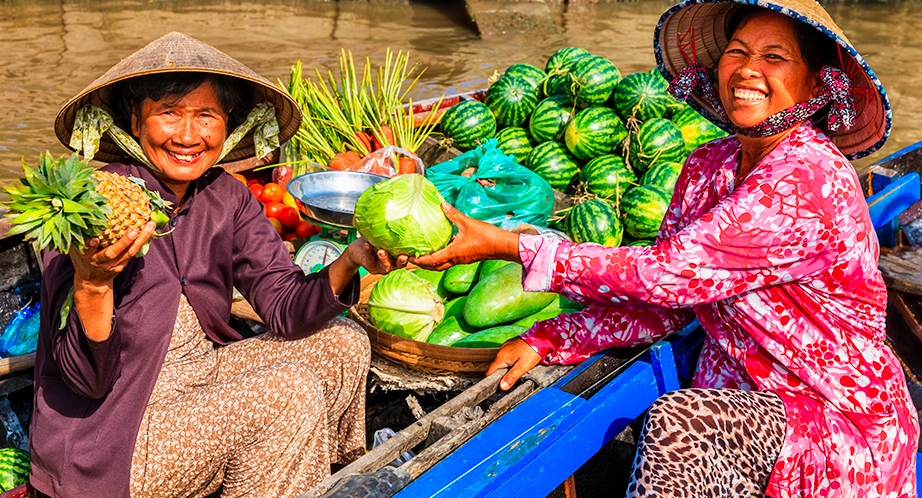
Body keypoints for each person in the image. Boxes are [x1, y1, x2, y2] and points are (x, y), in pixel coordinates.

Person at [413, 0, 919, 495]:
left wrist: (509, 245)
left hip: (832, 420)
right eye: (737, 51)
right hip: (740, 408)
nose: (748, 70)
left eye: (774, 57)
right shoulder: (707, 166)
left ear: (818, 84)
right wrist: (553, 336)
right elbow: (665, 307)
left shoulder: (809, 179)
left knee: (678, 423)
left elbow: (664, 274)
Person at [33, 32, 406, 498]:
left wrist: (351, 259)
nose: (189, 136)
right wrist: (94, 284)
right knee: (288, 391)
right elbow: (86, 381)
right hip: (111, 431)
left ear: (227, 125)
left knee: (342, 343)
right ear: (135, 121)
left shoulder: (226, 197)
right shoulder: (90, 207)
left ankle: (301, 479)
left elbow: (286, 308)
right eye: (169, 113)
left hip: (199, 379)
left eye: (206, 116)